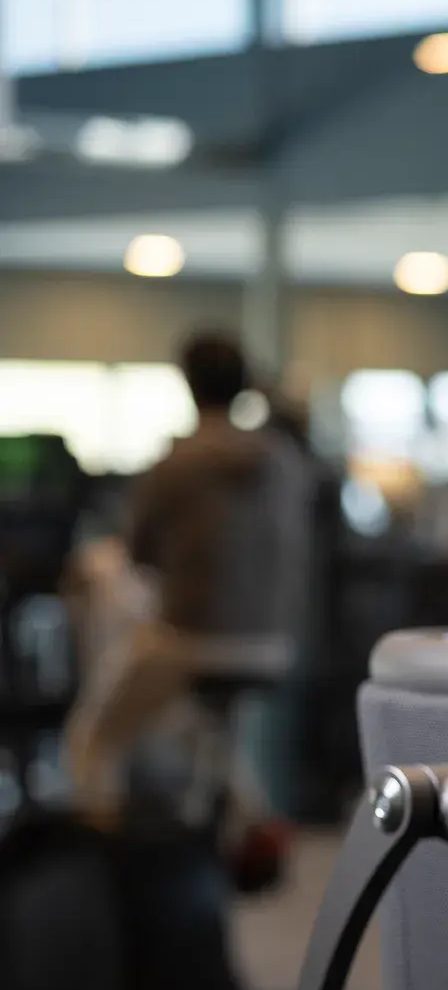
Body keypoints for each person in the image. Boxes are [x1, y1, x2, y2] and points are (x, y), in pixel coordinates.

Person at [63, 330, 311, 833]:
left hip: (193, 641)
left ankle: (102, 869)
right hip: (273, 644)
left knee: (92, 738)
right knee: (196, 733)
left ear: (187, 383)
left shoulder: (177, 462)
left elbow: (138, 553)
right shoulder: (284, 462)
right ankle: (245, 828)